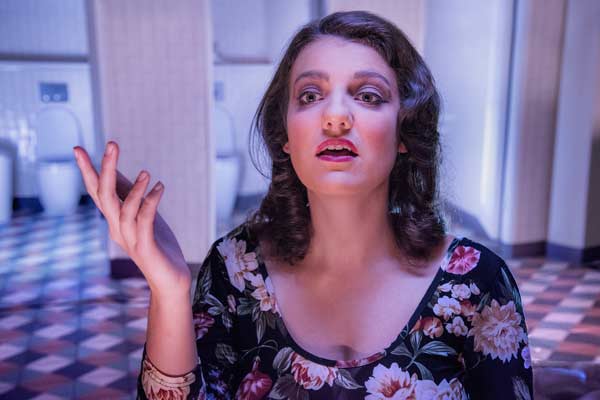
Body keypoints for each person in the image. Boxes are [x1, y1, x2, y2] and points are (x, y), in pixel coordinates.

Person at [73, 10, 534, 400]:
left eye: (368, 96)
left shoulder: (477, 283)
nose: (335, 117)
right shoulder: (236, 271)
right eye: (310, 96)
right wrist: (169, 290)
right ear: (286, 137)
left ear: (404, 134)